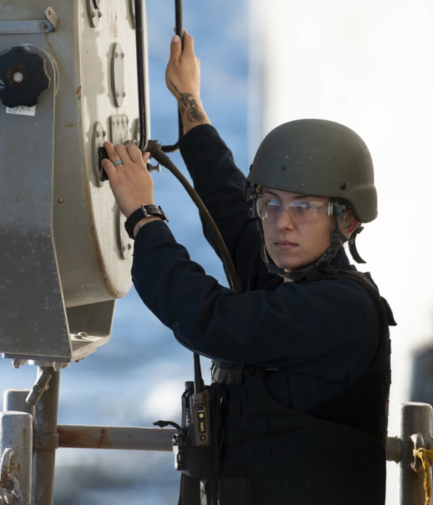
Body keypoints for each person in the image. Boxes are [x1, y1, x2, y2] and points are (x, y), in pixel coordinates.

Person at [100, 31, 395, 505]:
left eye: (304, 207)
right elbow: (228, 205)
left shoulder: (341, 311)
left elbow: (208, 319)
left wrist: (144, 216)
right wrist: (189, 101)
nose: (281, 223)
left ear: (347, 219)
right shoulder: (286, 276)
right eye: (272, 203)